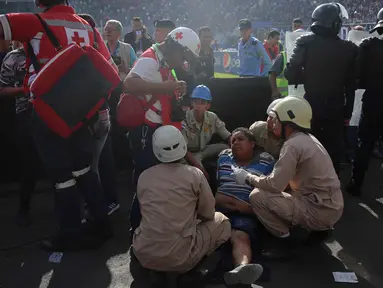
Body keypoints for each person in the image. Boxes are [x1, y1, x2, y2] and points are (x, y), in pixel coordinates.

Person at [0, 0, 117, 251]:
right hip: (84, 113)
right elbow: (109, 68)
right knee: (84, 170)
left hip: (47, 111)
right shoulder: (89, 27)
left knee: (62, 177)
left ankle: (69, 233)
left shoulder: (35, 22)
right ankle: (102, 223)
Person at [232, 97, 344, 258]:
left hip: (319, 210)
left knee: (257, 197)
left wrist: (248, 177)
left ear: (289, 124)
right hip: (330, 205)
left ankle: (285, 243)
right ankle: (320, 228)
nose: (273, 124)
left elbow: (275, 185)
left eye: (277, 120)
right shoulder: (307, 139)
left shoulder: (292, 145)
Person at [124, 27, 201, 236]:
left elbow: (164, 88)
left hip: (157, 129)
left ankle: (150, 227)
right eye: (183, 56)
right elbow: (129, 84)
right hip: (145, 131)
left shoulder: (163, 61)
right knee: (146, 179)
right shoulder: (150, 60)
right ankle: (137, 228)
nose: (183, 62)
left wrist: (176, 86)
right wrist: (166, 87)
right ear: (173, 47)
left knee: (155, 181)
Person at [132, 125, 231, 273]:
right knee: (222, 221)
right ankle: (203, 268)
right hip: (181, 257)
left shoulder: (144, 176)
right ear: (183, 146)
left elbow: (145, 211)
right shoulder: (195, 174)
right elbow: (208, 213)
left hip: (143, 254)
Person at [284, 3, 359, 174]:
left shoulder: (306, 42)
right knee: (334, 150)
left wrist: (307, 75)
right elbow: (351, 86)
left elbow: (289, 73)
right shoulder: (349, 49)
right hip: (337, 105)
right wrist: (347, 113)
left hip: (311, 105)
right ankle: (332, 188)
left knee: (312, 146)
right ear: (334, 23)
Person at [215, 127, 274, 286]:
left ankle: (242, 269)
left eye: (240, 139)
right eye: (233, 140)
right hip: (219, 208)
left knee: (240, 235)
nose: (235, 143)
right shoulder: (223, 158)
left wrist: (245, 208)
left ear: (253, 143)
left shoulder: (266, 163)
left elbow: (271, 193)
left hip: (246, 211)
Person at [0, 41, 41, 226]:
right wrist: (25, 90)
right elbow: (2, 89)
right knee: (29, 164)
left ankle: (65, 209)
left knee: (60, 162)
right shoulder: (13, 57)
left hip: (53, 111)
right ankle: (24, 208)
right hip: (26, 113)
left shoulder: (48, 52)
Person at [347, 8, 383, 197]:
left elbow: (357, 77)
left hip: (373, 101)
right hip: (373, 100)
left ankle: (356, 184)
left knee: (365, 144)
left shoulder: (368, 46)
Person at [182, 85, 231, 177]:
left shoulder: (212, 117)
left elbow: (227, 135)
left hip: (203, 151)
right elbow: (183, 149)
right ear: (192, 103)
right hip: (187, 154)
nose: (198, 105)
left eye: (202, 102)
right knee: (199, 174)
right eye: (195, 101)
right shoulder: (185, 118)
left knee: (225, 147)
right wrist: (200, 169)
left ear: (208, 105)